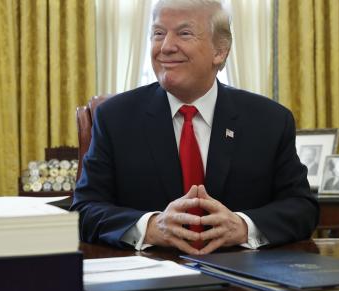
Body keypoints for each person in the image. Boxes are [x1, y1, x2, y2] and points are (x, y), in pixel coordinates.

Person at [71, 0, 319, 255]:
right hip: (149, 275)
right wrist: (150, 227)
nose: (165, 47)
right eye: (158, 34)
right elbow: (85, 209)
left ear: (219, 52)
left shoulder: (269, 121)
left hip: (244, 278)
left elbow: (302, 207)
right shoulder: (115, 118)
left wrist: (244, 226)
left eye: (184, 33)